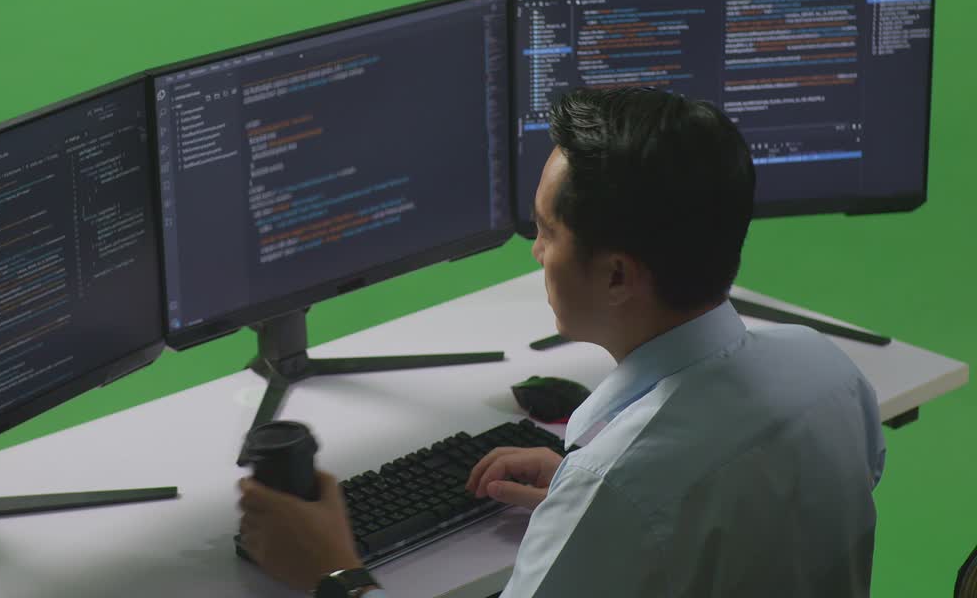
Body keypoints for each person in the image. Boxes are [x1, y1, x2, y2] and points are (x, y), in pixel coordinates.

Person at [237, 87, 886, 597]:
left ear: (615, 275)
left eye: (548, 230)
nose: (536, 250)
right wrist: (589, 503)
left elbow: (649, 487)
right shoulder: (827, 371)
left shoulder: (619, 485)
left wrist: (333, 573)